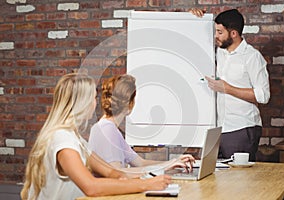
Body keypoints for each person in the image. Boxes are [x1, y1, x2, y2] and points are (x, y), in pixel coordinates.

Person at [20, 73, 171, 200]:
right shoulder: (62, 139)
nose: (95, 104)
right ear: (82, 102)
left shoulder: (76, 139)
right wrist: (147, 185)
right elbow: (91, 187)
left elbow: (111, 172)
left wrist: (145, 180)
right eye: (93, 98)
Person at [88, 74, 195, 174]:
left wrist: (172, 162)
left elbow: (140, 163)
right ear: (130, 103)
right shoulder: (107, 130)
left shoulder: (108, 128)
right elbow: (119, 173)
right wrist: (163, 169)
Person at [201, 9, 270, 161]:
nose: (215, 36)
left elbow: (263, 95)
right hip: (218, 129)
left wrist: (227, 89)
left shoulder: (252, 57)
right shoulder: (220, 52)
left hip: (241, 128)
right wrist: (195, 16)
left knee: (240, 181)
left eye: (220, 32)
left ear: (233, 34)